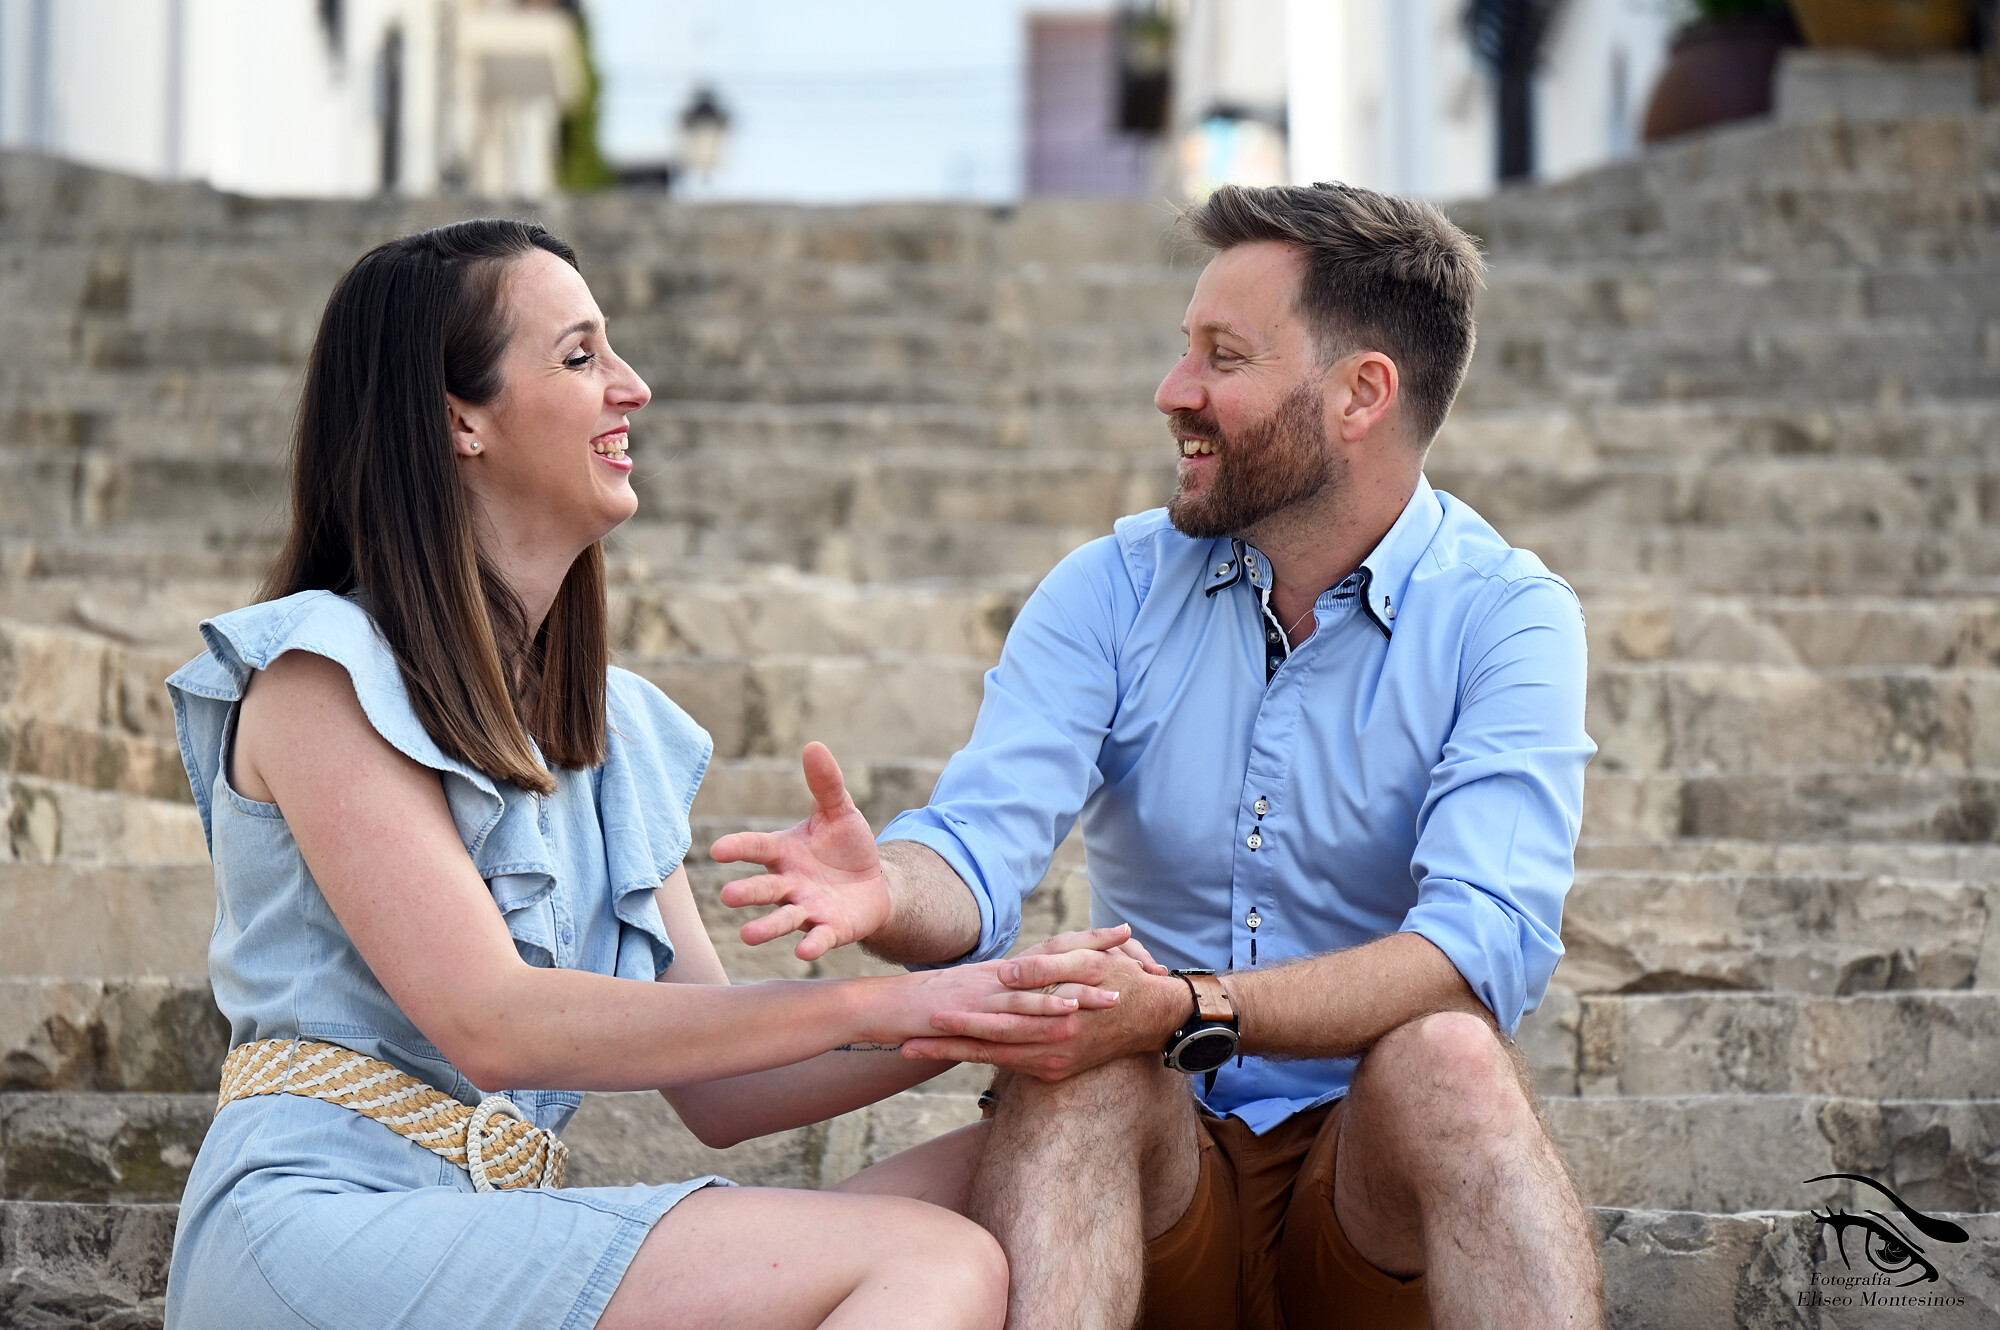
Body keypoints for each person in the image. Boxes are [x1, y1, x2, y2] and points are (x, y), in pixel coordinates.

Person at [161, 218, 1129, 1330]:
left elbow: (728, 1087)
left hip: (490, 1242)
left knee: (1026, 1163)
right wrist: (896, 991)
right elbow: (491, 1017)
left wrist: (1010, 1009)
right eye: (579, 356)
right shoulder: (320, 675)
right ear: (457, 418)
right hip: (315, 1233)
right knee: (927, 1261)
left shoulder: (606, 732)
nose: (634, 387)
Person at [715, 183, 1603, 1330]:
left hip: (1370, 1215)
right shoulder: (1110, 588)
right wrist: (888, 886)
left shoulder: (1506, 615)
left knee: (1452, 1059)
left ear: (1359, 395)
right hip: (1153, 1182)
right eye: (1183, 350)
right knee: (1073, 1050)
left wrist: (1187, 1005)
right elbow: (977, 855)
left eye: (1219, 357)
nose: (1171, 392)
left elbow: (1479, 944)